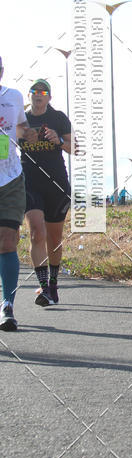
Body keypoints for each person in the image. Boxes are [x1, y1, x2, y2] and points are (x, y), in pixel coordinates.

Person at [20, 80, 72, 307]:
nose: (38, 95)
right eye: (34, 92)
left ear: (49, 97)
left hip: (57, 184)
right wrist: (21, 137)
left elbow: (74, 148)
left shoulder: (59, 118)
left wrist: (58, 140)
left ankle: (53, 284)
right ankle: (44, 287)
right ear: (29, 95)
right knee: (36, 233)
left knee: (54, 238)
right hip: (29, 182)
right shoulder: (20, 119)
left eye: (43, 92)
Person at [0, 58, 31, 330]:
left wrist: (27, 135)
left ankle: (7, 305)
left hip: (10, 178)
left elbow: (20, 126)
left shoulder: (14, 97)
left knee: (8, 242)